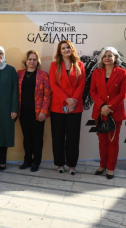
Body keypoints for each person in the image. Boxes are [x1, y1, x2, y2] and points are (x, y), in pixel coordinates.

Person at [90, 47, 126, 179]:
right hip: (100, 112)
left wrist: (108, 107)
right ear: (101, 58)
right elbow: (92, 92)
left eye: (110, 55)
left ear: (115, 58)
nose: (107, 58)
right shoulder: (96, 73)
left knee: (113, 142)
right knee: (102, 142)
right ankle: (102, 165)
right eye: (105, 56)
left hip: (114, 112)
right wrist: (102, 106)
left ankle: (111, 168)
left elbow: (123, 93)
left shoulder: (123, 73)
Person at [49, 40, 86, 175]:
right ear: (59, 51)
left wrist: (72, 101)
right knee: (58, 136)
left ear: (72, 49)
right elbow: (53, 84)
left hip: (75, 107)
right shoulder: (54, 65)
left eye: (68, 47)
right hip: (58, 106)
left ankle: (72, 165)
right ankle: (59, 164)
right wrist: (66, 99)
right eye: (63, 48)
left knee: (73, 137)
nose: (66, 50)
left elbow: (81, 85)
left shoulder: (80, 65)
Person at [17, 50, 51, 172]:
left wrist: (43, 111)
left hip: (38, 113)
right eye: (30, 59)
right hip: (23, 112)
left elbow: (47, 95)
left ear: (37, 62)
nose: (32, 61)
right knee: (27, 138)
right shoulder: (19, 74)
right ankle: (27, 160)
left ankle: (36, 161)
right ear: (25, 61)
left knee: (37, 138)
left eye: (34, 59)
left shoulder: (43, 75)